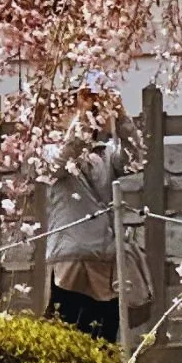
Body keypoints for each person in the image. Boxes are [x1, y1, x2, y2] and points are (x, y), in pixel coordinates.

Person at [47, 87, 135, 345]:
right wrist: (82, 118)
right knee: (69, 336)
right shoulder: (49, 152)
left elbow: (133, 159)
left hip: (104, 256)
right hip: (71, 256)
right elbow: (61, 162)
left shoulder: (105, 153)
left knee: (105, 336)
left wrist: (121, 116)